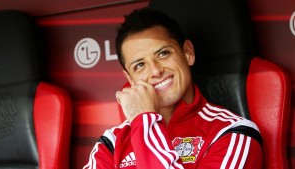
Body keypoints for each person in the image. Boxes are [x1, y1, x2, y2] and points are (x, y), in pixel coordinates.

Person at [83, 7, 263, 169]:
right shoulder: (111, 143)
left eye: (163, 54)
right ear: (130, 79)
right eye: (139, 65)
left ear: (188, 53)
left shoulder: (234, 134)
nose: (155, 71)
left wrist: (144, 121)